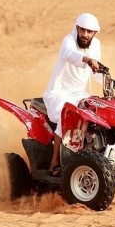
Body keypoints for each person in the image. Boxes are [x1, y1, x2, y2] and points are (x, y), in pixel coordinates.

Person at [43, 13, 103, 177]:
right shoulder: (68, 41)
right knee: (68, 114)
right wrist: (87, 59)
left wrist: (106, 79)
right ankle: (54, 162)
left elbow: (96, 72)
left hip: (80, 93)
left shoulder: (96, 45)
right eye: (82, 30)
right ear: (77, 28)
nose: (85, 35)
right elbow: (69, 55)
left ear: (94, 33)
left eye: (89, 32)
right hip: (59, 93)